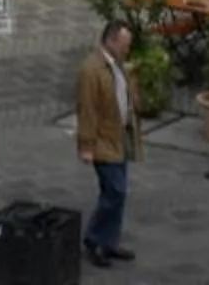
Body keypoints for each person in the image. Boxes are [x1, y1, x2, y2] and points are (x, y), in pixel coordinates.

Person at [75, 17, 140, 269]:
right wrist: (87, 146)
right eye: (124, 44)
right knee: (116, 191)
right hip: (103, 141)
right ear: (111, 41)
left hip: (119, 137)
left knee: (116, 193)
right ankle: (95, 238)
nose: (127, 49)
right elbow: (87, 110)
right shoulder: (91, 70)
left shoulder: (116, 64)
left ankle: (108, 241)